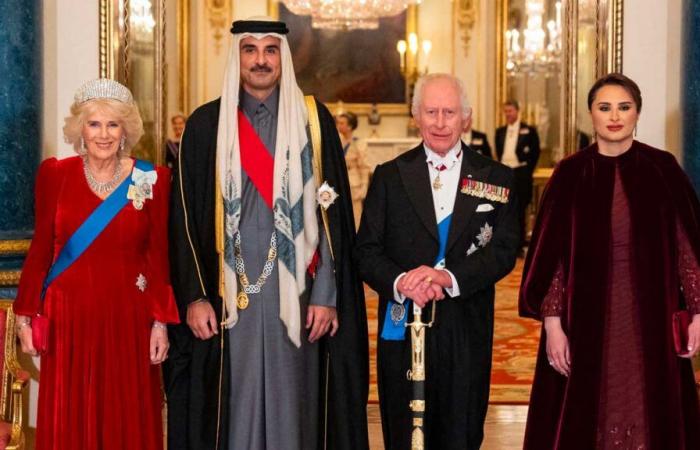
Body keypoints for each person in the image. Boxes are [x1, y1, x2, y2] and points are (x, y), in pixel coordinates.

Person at [164, 17, 369, 450]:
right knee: (233, 402)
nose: (260, 60)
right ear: (236, 56)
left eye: (270, 50)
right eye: (250, 49)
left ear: (284, 58)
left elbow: (332, 214)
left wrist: (326, 294)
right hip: (228, 290)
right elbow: (181, 218)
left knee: (296, 401)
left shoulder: (313, 121)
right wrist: (196, 295)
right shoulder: (205, 125)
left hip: (296, 290)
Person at [519, 73, 700, 449]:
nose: (614, 116)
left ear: (637, 113)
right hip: (581, 321)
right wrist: (553, 326)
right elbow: (551, 260)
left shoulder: (663, 169)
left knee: (648, 407)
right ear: (591, 115)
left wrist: (698, 314)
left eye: (624, 107)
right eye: (604, 107)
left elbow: (688, 249)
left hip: (650, 319)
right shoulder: (569, 174)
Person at [355, 73, 519, 449]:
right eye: (431, 112)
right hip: (403, 323)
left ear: (467, 117)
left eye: (449, 112)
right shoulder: (389, 176)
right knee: (404, 427)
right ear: (416, 116)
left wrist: (448, 278)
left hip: (466, 322)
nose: (441, 122)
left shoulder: (496, 178)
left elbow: (504, 250)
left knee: (461, 427)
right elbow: (366, 251)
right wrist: (401, 282)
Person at [13, 78, 178, 450]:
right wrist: (24, 317)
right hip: (67, 318)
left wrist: (160, 323)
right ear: (80, 130)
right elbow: (40, 249)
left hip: (128, 318)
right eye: (94, 124)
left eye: (112, 124)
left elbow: (158, 255)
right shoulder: (55, 173)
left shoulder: (151, 178)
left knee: (126, 413)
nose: (103, 134)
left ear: (125, 130)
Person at [495, 100, 540, 255]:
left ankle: (519, 245)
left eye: (510, 111)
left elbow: (535, 153)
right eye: (505, 111)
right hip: (504, 174)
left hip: (521, 174)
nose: (508, 114)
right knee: (503, 211)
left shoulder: (529, 130)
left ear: (517, 111)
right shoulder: (500, 132)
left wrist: (526, 172)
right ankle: (504, 243)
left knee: (519, 210)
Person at [336, 111, 370, 229]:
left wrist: (364, 186)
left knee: (355, 216)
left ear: (350, 126)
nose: (339, 125)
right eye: (338, 123)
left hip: (353, 183)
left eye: (342, 123)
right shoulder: (337, 141)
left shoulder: (358, 143)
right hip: (339, 182)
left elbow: (364, 166)